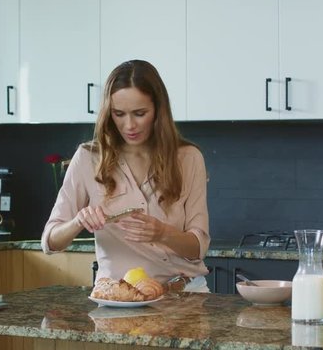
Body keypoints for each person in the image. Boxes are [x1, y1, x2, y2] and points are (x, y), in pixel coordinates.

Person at [41, 60, 210, 292]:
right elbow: (50, 242)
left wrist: (162, 233)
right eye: (119, 114)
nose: (129, 125)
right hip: (118, 297)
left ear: (158, 110)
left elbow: (198, 247)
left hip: (185, 293)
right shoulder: (88, 158)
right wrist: (78, 221)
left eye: (140, 113)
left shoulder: (188, 158)